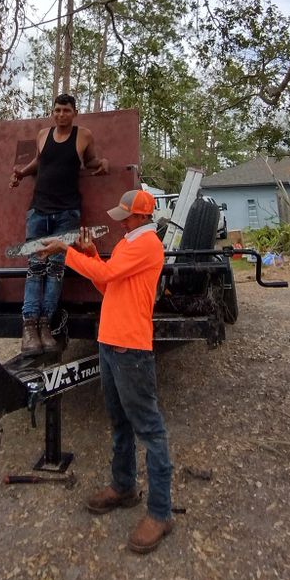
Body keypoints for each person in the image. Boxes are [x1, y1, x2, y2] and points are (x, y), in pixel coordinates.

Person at [38, 188, 174, 555]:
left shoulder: (145, 244)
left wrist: (67, 252)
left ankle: (161, 512)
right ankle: (124, 486)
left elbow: (108, 272)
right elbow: (106, 281)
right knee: (119, 421)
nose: (121, 220)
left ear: (142, 217)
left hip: (130, 347)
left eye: (126, 216)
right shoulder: (132, 242)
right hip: (111, 342)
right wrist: (90, 254)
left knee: (149, 428)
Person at [10, 93, 109, 354]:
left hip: (67, 213)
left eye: (66, 110)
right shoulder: (43, 134)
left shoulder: (84, 135)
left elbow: (90, 162)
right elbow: (40, 161)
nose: (61, 114)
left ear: (74, 112)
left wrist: (104, 164)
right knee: (35, 267)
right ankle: (29, 328)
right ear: (52, 113)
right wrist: (21, 172)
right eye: (57, 110)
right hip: (38, 211)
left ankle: (46, 325)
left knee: (55, 269)